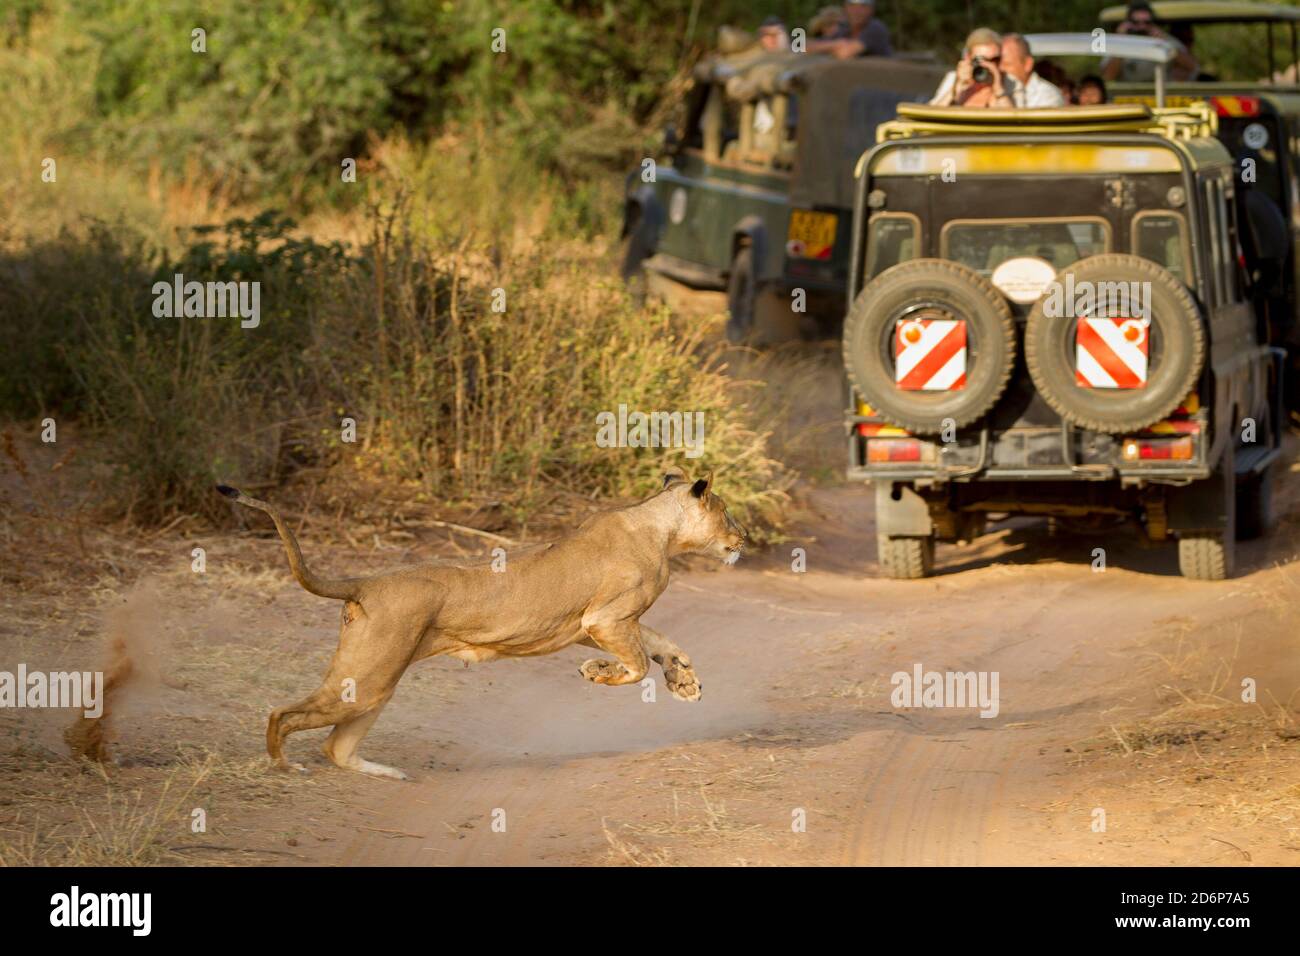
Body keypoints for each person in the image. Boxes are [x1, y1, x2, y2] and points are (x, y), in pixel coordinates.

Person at [1102, 2, 1199, 83]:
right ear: (1128, 23)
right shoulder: (1118, 42)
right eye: (1136, 22)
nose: (1142, 27)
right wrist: (1121, 42)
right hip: (1127, 98)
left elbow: (1193, 67)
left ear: (1153, 23)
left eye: (1146, 22)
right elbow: (1108, 76)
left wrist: (1165, 43)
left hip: (1160, 97)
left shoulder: (1165, 40)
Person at [930, 28, 1018, 108]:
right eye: (980, 59)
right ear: (968, 58)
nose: (988, 65)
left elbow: (1015, 120)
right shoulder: (953, 78)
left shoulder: (1010, 82)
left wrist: (999, 89)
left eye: (995, 59)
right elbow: (931, 114)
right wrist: (956, 88)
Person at [807, 0, 893, 59]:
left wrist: (834, 45)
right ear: (846, 7)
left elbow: (844, 53)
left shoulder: (875, 28)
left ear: (871, 10)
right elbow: (807, 47)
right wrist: (837, 44)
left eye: (863, 6)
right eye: (852, 6)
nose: (857, 11)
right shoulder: (845, 29)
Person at [1002, 34, 1065, 107]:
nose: (1000, 70)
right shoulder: (995, 90)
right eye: (997, 64)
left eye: (1006, 64)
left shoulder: (1048, 96)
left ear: (1027, 64)